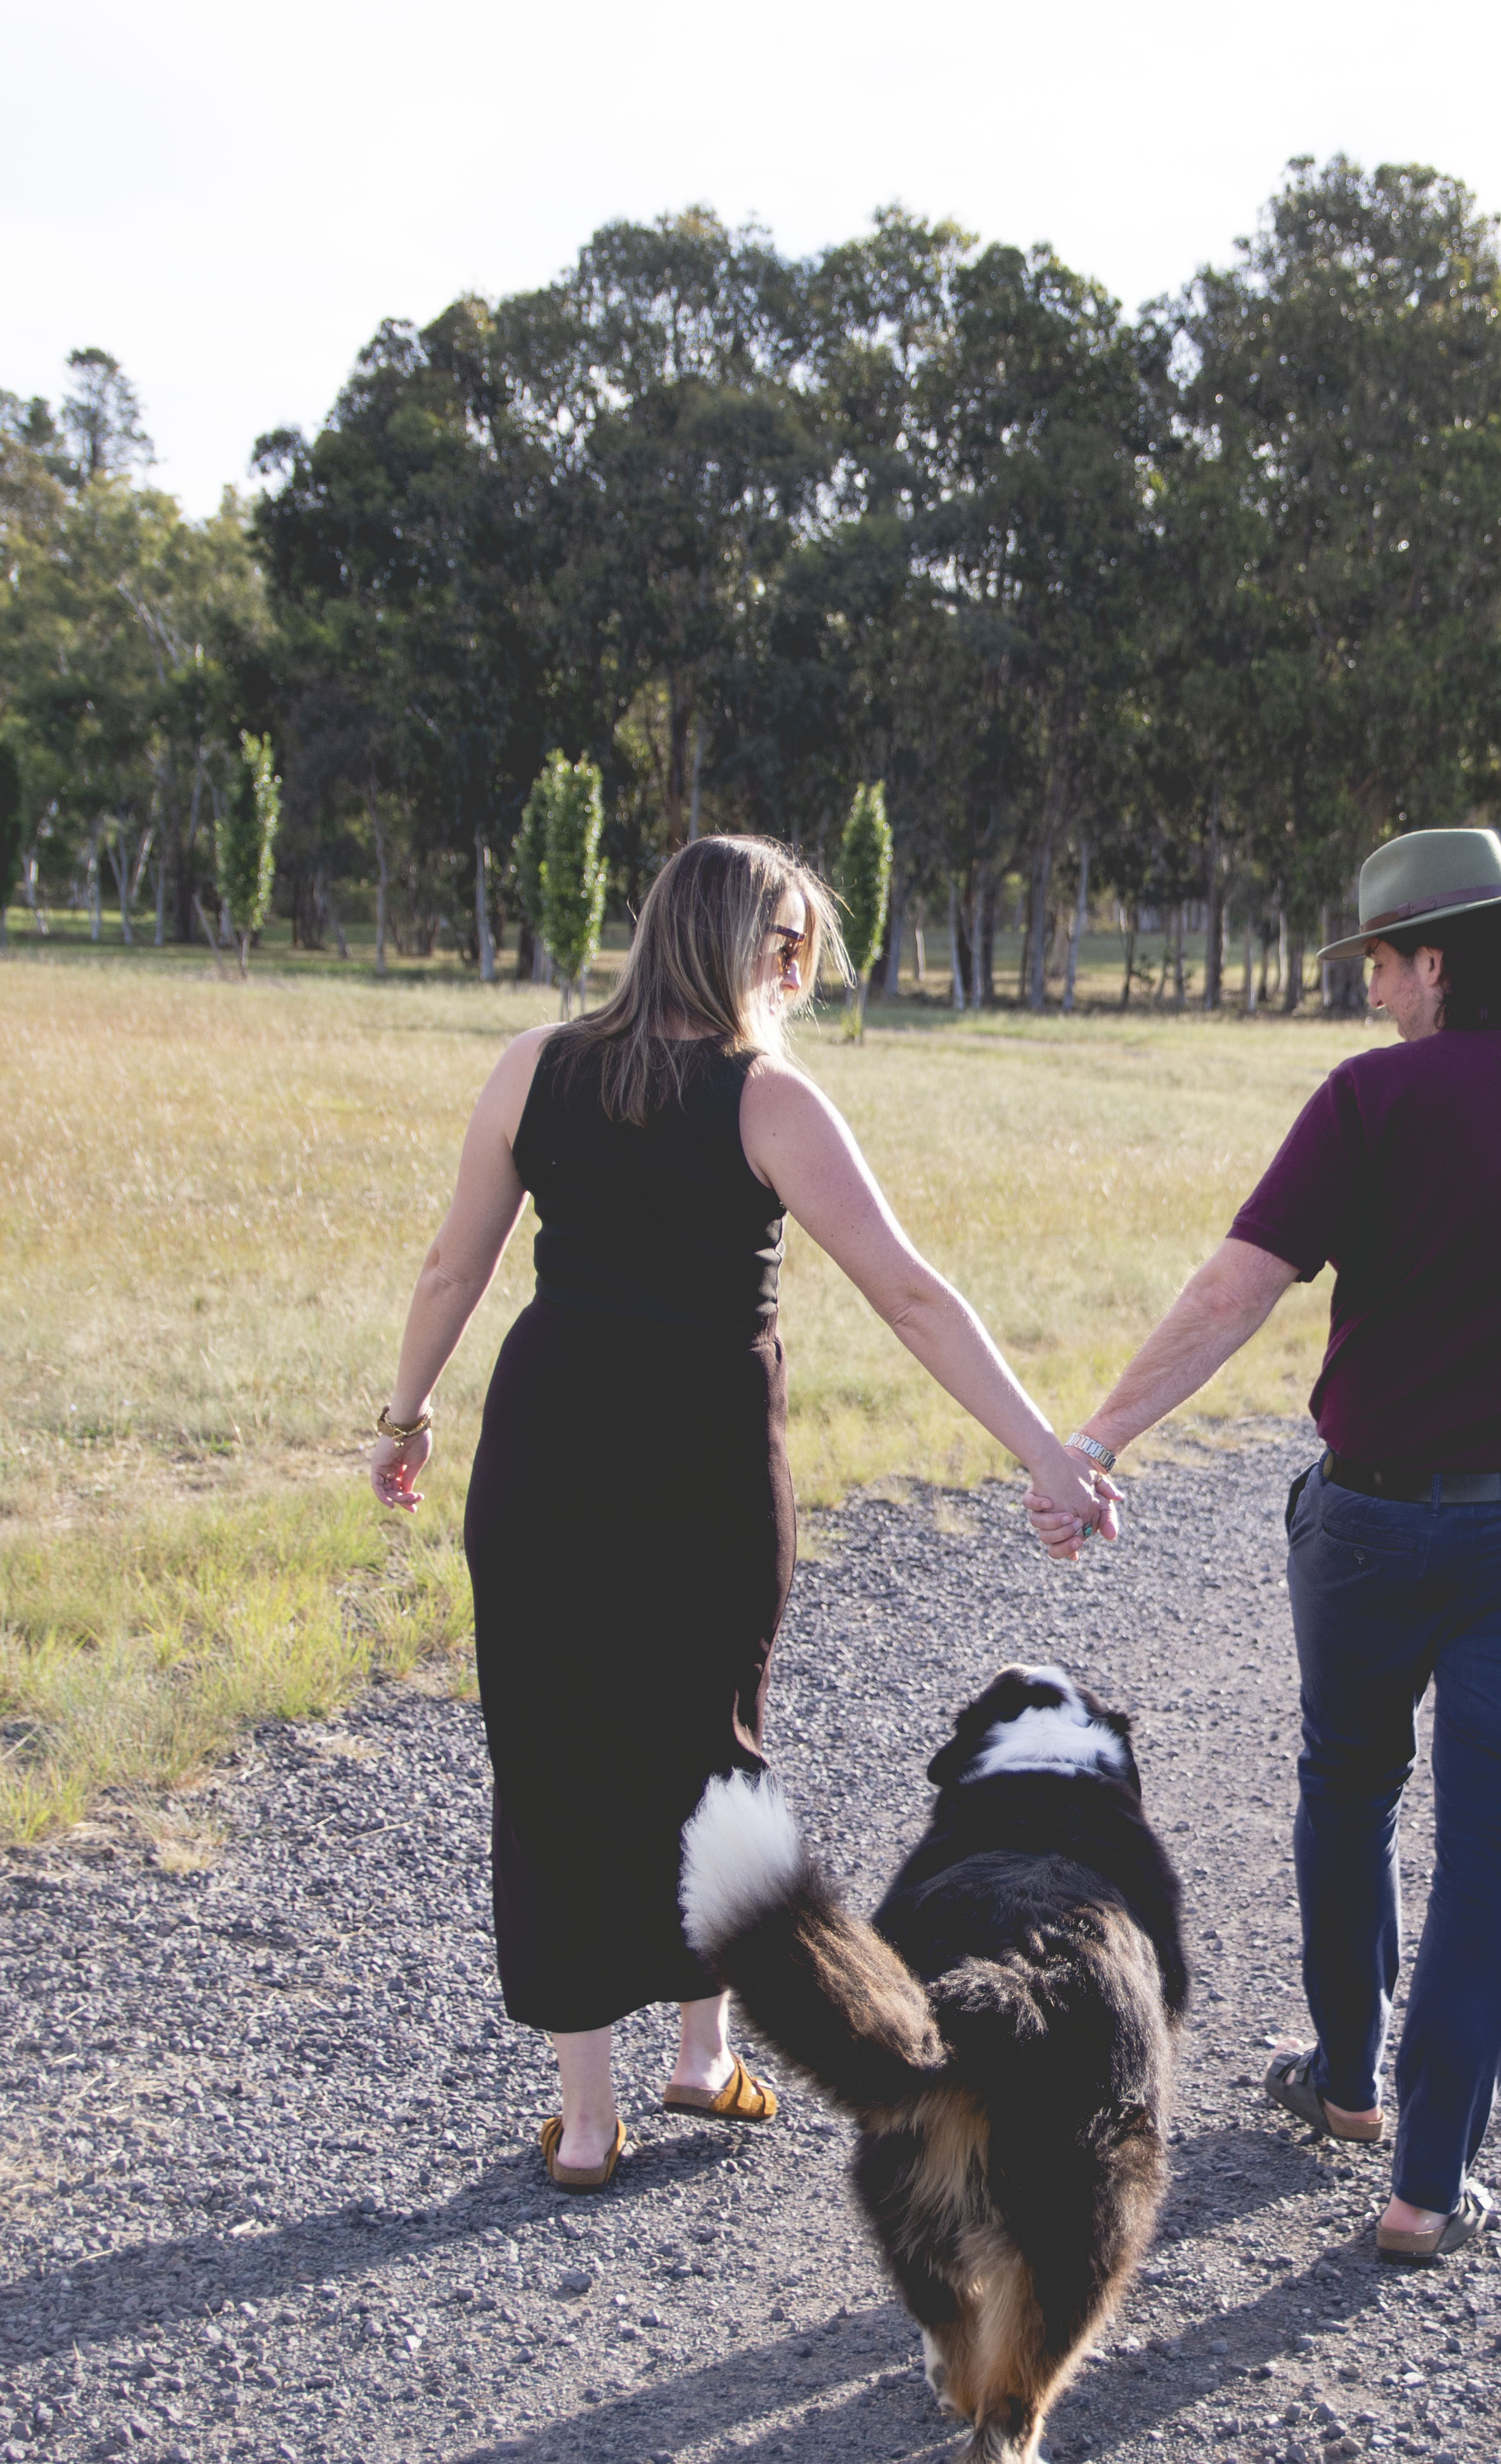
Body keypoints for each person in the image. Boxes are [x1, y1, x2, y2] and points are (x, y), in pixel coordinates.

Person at [370, 832, 1111, 2191]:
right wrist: (1042, 1453)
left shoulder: (533, 1066)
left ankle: (587, 2124)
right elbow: (910, 1294)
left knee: (553, 1759)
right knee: (711, 1746)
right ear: (749, 950)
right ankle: (700, 2057)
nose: (799, 977)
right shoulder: (768, 1100)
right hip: (699, 1460)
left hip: (543, 1450)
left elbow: (448, 1267)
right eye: (794, 952)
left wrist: (405, 1417)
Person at [1037, 826, 1501, 2264]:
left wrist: (1095, 1442)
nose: (1370, 993)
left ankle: (1343, 2084)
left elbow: (1231, 1294)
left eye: (1380, 965)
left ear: (1433, 961)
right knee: (1497, 1835)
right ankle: (1428, 2181)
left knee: (1348, 1787)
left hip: (1375, 1520)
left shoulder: (1371, 1102)